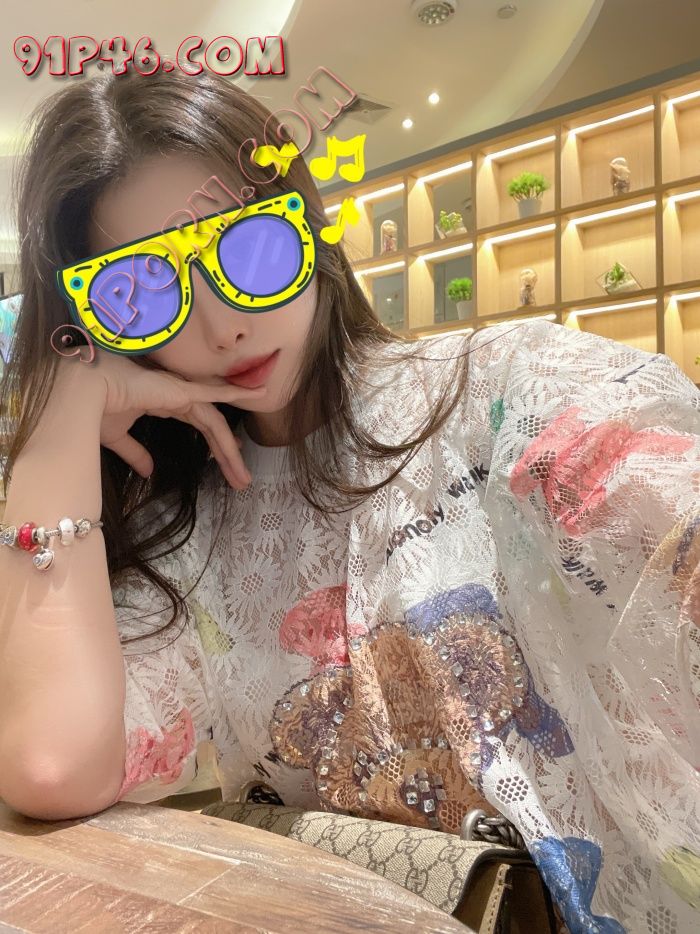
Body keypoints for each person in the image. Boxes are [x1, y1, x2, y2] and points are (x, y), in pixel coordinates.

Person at [0, 69, 698, 934]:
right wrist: (59, 418)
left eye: (248, 246)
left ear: (306, 220)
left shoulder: (509, 393)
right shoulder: (182, 530)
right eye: (137, 294)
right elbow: (52, 763)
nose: (220, 325)